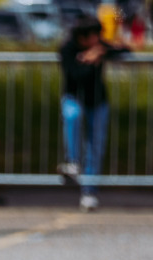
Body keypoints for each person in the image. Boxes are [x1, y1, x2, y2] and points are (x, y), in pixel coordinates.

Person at [58, 17, 130, 211]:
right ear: (82, 37)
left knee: (94, 146)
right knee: (72, 117)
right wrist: (89, 61)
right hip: (74, 98)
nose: (97, 39)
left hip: (97, 102)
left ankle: (89, 192)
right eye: (93, 36)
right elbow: (75, 75)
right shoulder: (67, 49)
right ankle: (73, 161)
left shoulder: (99, 46)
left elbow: (124, 50)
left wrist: (102, 51)